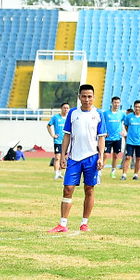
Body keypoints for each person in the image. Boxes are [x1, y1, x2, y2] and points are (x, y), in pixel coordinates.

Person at [50, 84, 106, 233]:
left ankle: (84, 222)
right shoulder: (73, 113)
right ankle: (62, 224)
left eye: (89, 96)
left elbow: (101, 138)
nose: (87, 99)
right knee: (67, 189)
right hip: (74, 158)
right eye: (84, 96)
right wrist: (63, 155)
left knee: (89, 190)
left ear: (93, 97)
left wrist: (100, 157)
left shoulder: (99, 114)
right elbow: (67, 135)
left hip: (92, 158)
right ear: (79, 97)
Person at [120, 100, 140, 180]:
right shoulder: (129, 117)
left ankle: (135, 174)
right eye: (136, 107)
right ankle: (124, 174)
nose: (137, 108)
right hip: (130, 141)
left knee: (139, 158)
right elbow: (126, 127)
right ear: (134, 107)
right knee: (128, 157)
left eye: (139, 107)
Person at [103, 96, 126, 178]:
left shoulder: (122, 114)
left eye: (118, 103)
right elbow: (102, 124)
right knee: (105, 155)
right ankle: (100, 171)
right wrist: (104, 132)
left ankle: (113, 171)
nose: (116, 104)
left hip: (117, 138)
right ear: (112, 103)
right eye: (115, 102)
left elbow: (125, 123)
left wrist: (123, 130)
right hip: (108, 138)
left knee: (116, 155)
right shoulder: (106, 113)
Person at [47, 102, 70, 179]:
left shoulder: (69, 118)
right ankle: (56, 173)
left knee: (63, 157)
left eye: (67, 108)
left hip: (66, 142)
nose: (66, 109)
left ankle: (60, 173)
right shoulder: (56, 117)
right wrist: (52, 135)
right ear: (61, 108)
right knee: (57, 157)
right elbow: (48, 125)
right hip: (58, 141)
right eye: (64, 108)